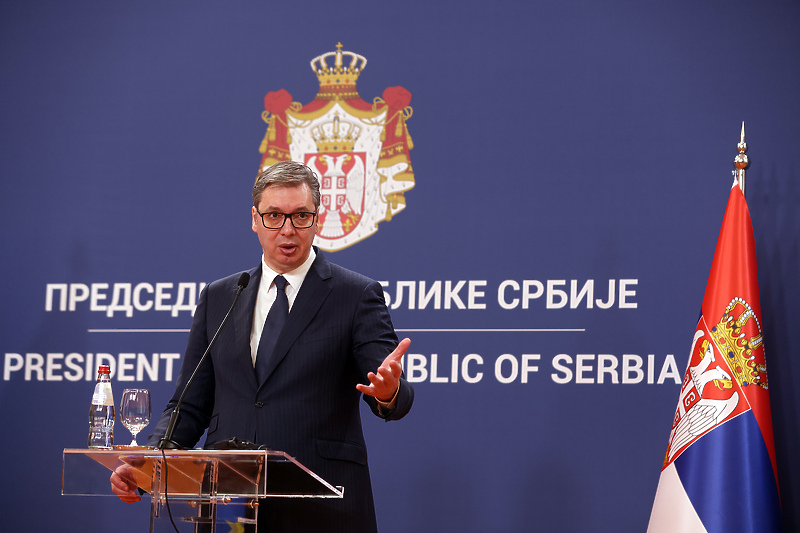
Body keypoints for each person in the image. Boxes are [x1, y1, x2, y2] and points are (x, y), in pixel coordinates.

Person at [110, 160, 414, 532]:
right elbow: (189, 405)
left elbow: (388, 388)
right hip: (227, 503)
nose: (287, 229)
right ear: (255, 219)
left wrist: (388, 391)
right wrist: (146, 472)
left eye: (301, 216)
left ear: (318, 221)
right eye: (274, 216)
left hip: (323, 506)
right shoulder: (221, 296)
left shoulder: (355, 294)